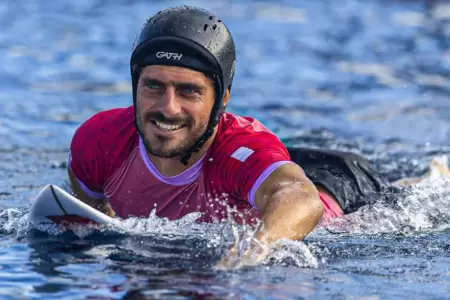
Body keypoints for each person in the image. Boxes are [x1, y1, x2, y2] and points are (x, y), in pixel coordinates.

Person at [66, 5, 448, 268]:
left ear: (222, 100)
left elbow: (301, 199)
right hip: (272, 167)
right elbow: (99, 223)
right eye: (153, 86)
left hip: (337, 187)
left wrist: (255, 249)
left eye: (189, 91)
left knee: (415, 196)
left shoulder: (240, 148)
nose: (168, 108)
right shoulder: (97, 142)